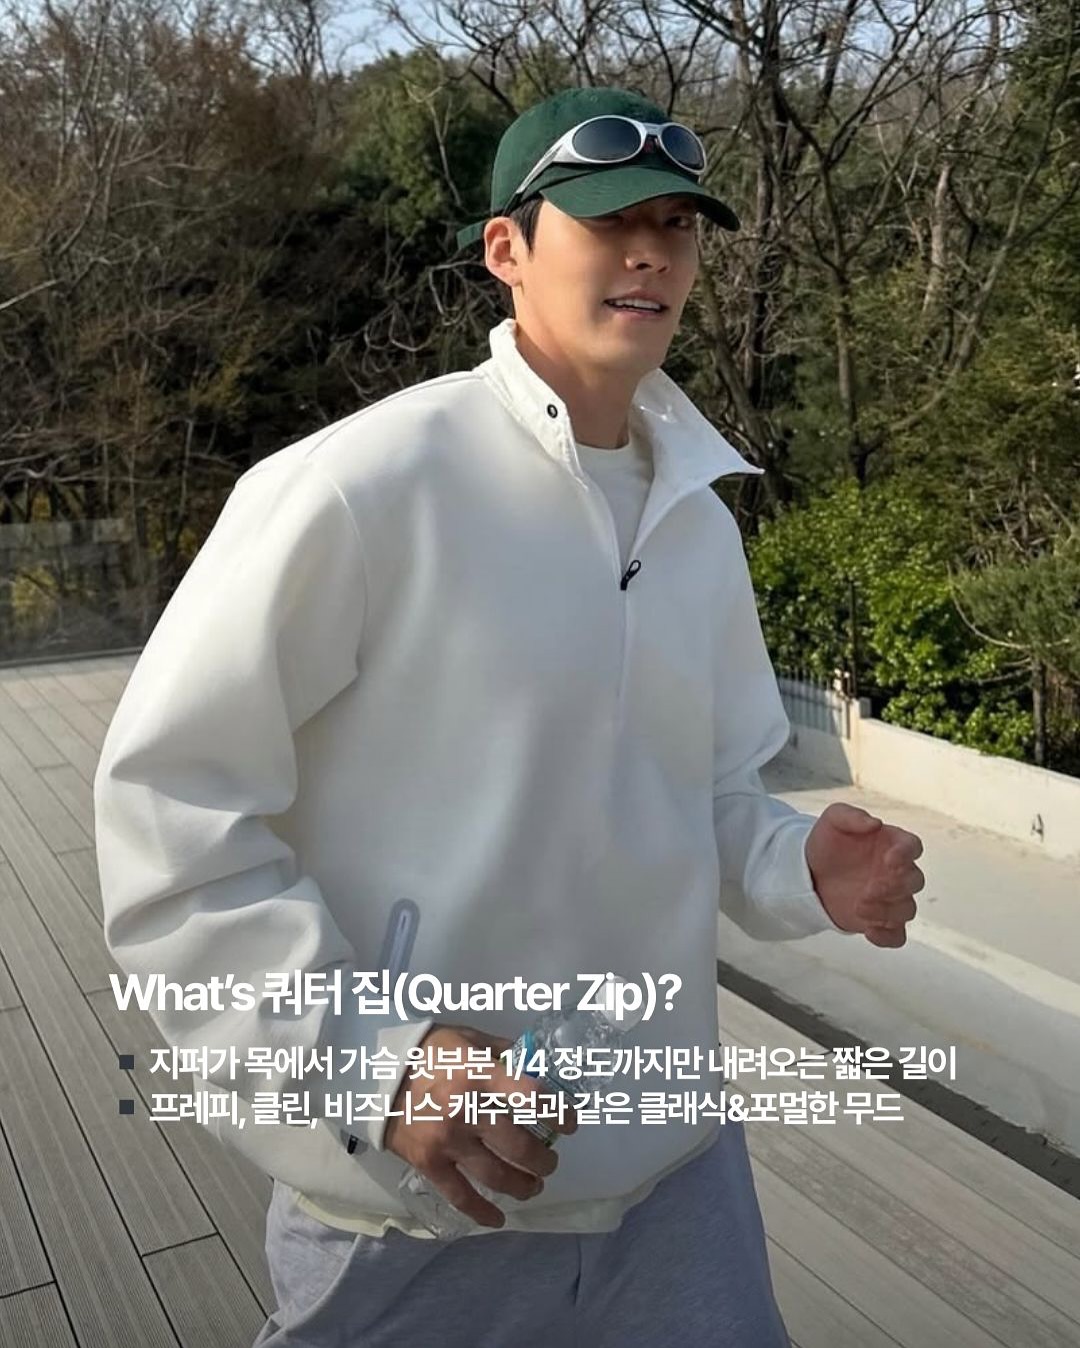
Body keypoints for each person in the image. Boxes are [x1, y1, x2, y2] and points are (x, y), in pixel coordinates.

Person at [93, 85, 925, 1346]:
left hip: (676, 1178)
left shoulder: (697, 520)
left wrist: (797, 864)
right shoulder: (360, 486)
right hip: (421, 1200)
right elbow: (170, 816)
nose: (650, 252)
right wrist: (374, 1058)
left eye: (676, 225)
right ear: (506, 250)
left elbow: (707, 798)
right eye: (608, 221)